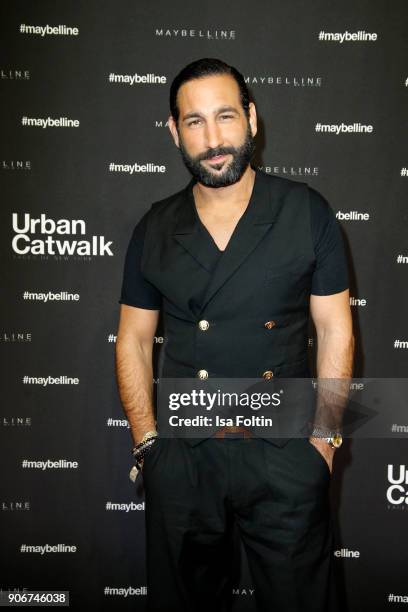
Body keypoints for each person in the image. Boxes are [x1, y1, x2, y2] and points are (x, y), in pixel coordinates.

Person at [115, 57, 354, 612]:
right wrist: (149, 444)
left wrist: (325, 440)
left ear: (251, 117)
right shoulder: (154, 226)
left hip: (285, 450)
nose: (213, 137)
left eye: (225, 116)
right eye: (194, 122)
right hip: (185, 456)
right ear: (175, 131)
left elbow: (335, 327)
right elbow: (131, 339)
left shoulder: (306, 212)